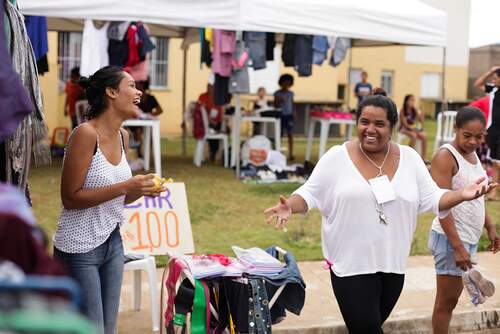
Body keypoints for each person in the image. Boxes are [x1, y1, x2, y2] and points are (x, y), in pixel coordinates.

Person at [264, 95, 496, 333]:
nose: (370, 130)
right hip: (350, 266)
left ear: (392, 127)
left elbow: (435, 198)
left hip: (392, 266)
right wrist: (290, 205)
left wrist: (462, 194)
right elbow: (309, 194)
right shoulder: (337, 157)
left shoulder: (410, 159)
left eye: (379, 124)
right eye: (364, 122)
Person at [53, 66, 163, 334]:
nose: (139, 93)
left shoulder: (124, 137)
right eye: (132, 86)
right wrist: (126, 185)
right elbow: (70, 198)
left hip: (112, 243)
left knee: (109, 329)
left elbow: (117, 199)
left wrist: (140, 190)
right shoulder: (85, 134)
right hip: (79, 249)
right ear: (111, 92)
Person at [429, 106, 500, 334]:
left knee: (453, 300)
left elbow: (476, 197)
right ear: (456, 129)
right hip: (451, 239)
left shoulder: (473, 155)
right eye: (467, 135)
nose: (472, 142)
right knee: (446, 302)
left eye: (478, 137)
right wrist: (458, 247)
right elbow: (441, 205)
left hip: (466, 238)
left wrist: (490, 227)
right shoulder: (445, 156)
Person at [473, 66, 500, 201]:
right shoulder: (494, 89)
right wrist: (490, 72)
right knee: (495, 163)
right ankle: (494, 193)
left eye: (496, 78)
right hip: (493, 131)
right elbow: (477, 84)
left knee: (498, 163)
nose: (493, 80)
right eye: (493, 79)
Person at [198, 82, 224, 162]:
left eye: (211, 87)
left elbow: (221, 111)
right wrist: (210, 120)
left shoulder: (218, 97)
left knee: (220, 127)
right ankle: (213, 151)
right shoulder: (203, 96)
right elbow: (201, 109)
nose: (209, 88)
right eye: (208, 86)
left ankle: (215, 152)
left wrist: (218, 120)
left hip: (217, 121)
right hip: (205, 122)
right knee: (215, 130)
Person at [399, 94, 428, 160]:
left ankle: (423, 157)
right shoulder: (403, 110)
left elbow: (421, 121)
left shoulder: (414, 110)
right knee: (414, 135)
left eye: (413, 100)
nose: (413, 102)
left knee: (424, 136)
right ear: (406, 101)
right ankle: (408, 156)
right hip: (404, 129)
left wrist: (421, 114)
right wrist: (413, 128)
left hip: (412, 128)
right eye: (411, 100)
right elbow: (404, 124)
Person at [274, 74, 295, 161]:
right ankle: (277, 153)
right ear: (281, 83)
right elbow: (275, 105)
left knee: (290, 135)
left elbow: (292, 104)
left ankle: (291, 154)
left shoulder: (291, 93)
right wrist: (279, 101)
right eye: (284, 83)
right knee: (279, 135)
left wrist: (294, 113)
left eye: (288, 84)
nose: (286, 85)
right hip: (280, 115)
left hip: (289, 116)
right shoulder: (277, 93)